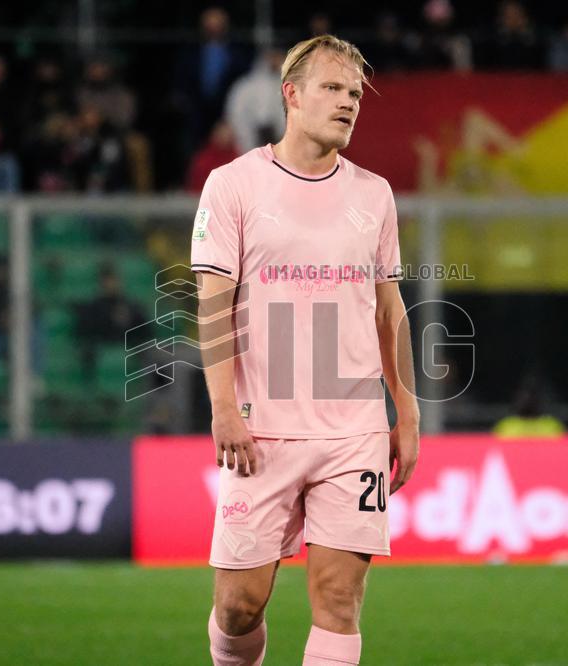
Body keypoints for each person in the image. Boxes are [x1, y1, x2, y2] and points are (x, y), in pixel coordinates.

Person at [191, 35, 420, 666]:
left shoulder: (374, 195)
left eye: (354, 94)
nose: (347, 103)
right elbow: (212, 303)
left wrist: (408, 410)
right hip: (261, 430)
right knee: (240, 604)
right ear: (291, 95)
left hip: (355, 432)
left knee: (338, 598)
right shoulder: (232, 184)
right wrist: (222, 408)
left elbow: (388, 311)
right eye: (332, 89)